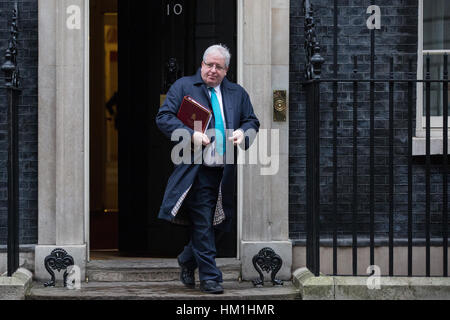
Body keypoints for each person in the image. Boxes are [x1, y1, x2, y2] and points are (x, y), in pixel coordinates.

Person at [156, 44, 260, 294]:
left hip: (225, 171)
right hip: (197, 170)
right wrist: (191, 135)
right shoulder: (183, 87)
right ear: (201, 64)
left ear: (226, 70)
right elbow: (164, 117)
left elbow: (251, 120)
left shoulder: (237, 93)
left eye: (219, 67)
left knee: (222, 224)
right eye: (209, 65)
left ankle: (187, 259)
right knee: (203, 224)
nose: (212, 70)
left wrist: (243, 132)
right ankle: (211, 278)